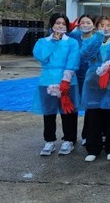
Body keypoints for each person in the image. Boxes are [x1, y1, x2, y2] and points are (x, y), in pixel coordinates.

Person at [32, 13, 80, 156]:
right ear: (52, 25)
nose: (60, 26)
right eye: (57, 23)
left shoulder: (72, 42)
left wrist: (66, 79)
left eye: (63, 24)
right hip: (47, 79)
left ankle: (69, 139)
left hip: (67, 80)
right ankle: (49, 140)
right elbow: (41, 57)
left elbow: (73, 60)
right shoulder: (42, 42)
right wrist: (53, 42)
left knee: (68, 111)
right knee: (49, 112)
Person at [79, 16, 110, 161]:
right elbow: (85, 55)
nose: (105, 28)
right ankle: (93, 148)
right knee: (93, 115)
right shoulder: (92, 39)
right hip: (93, 80)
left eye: (108, 25)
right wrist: (98, 37)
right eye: (102, 25)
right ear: (96, 27)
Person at [68, 14, 96, 145]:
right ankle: (70, 137)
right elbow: (57, 36)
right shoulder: (73, 37)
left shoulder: (97, 39)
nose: (85, 25)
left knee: (90, 108)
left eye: (88, 22)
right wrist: (68, 29)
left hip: (90, 76)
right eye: (82, 22)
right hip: (73, 76)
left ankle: (87, 135)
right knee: (72, 106)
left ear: (94, 25)